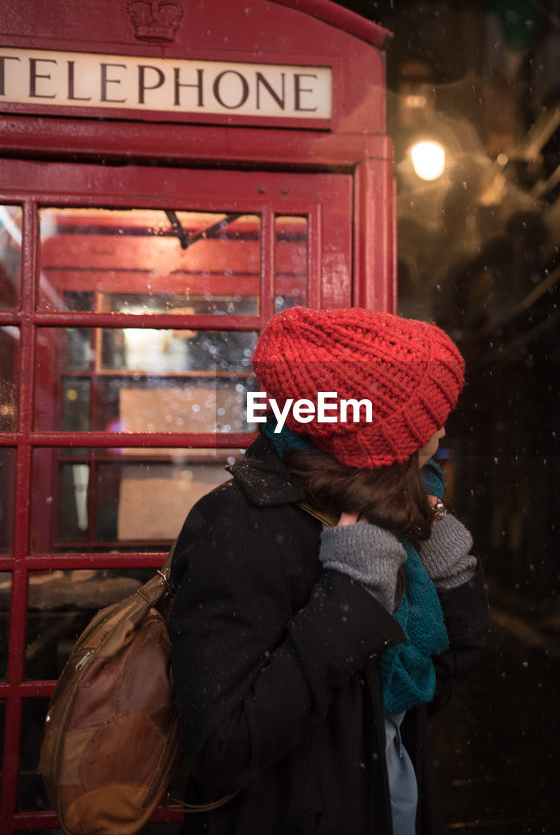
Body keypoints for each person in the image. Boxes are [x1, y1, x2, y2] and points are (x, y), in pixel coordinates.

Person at [168, 306, 489, 834]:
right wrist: (351, 599)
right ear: (378, 429)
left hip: (388, 804)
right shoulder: (238, 524)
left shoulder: (388, 510)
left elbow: (432, 688)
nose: (443, 425)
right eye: (430, 413)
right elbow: (221, 746)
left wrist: (450, 571)